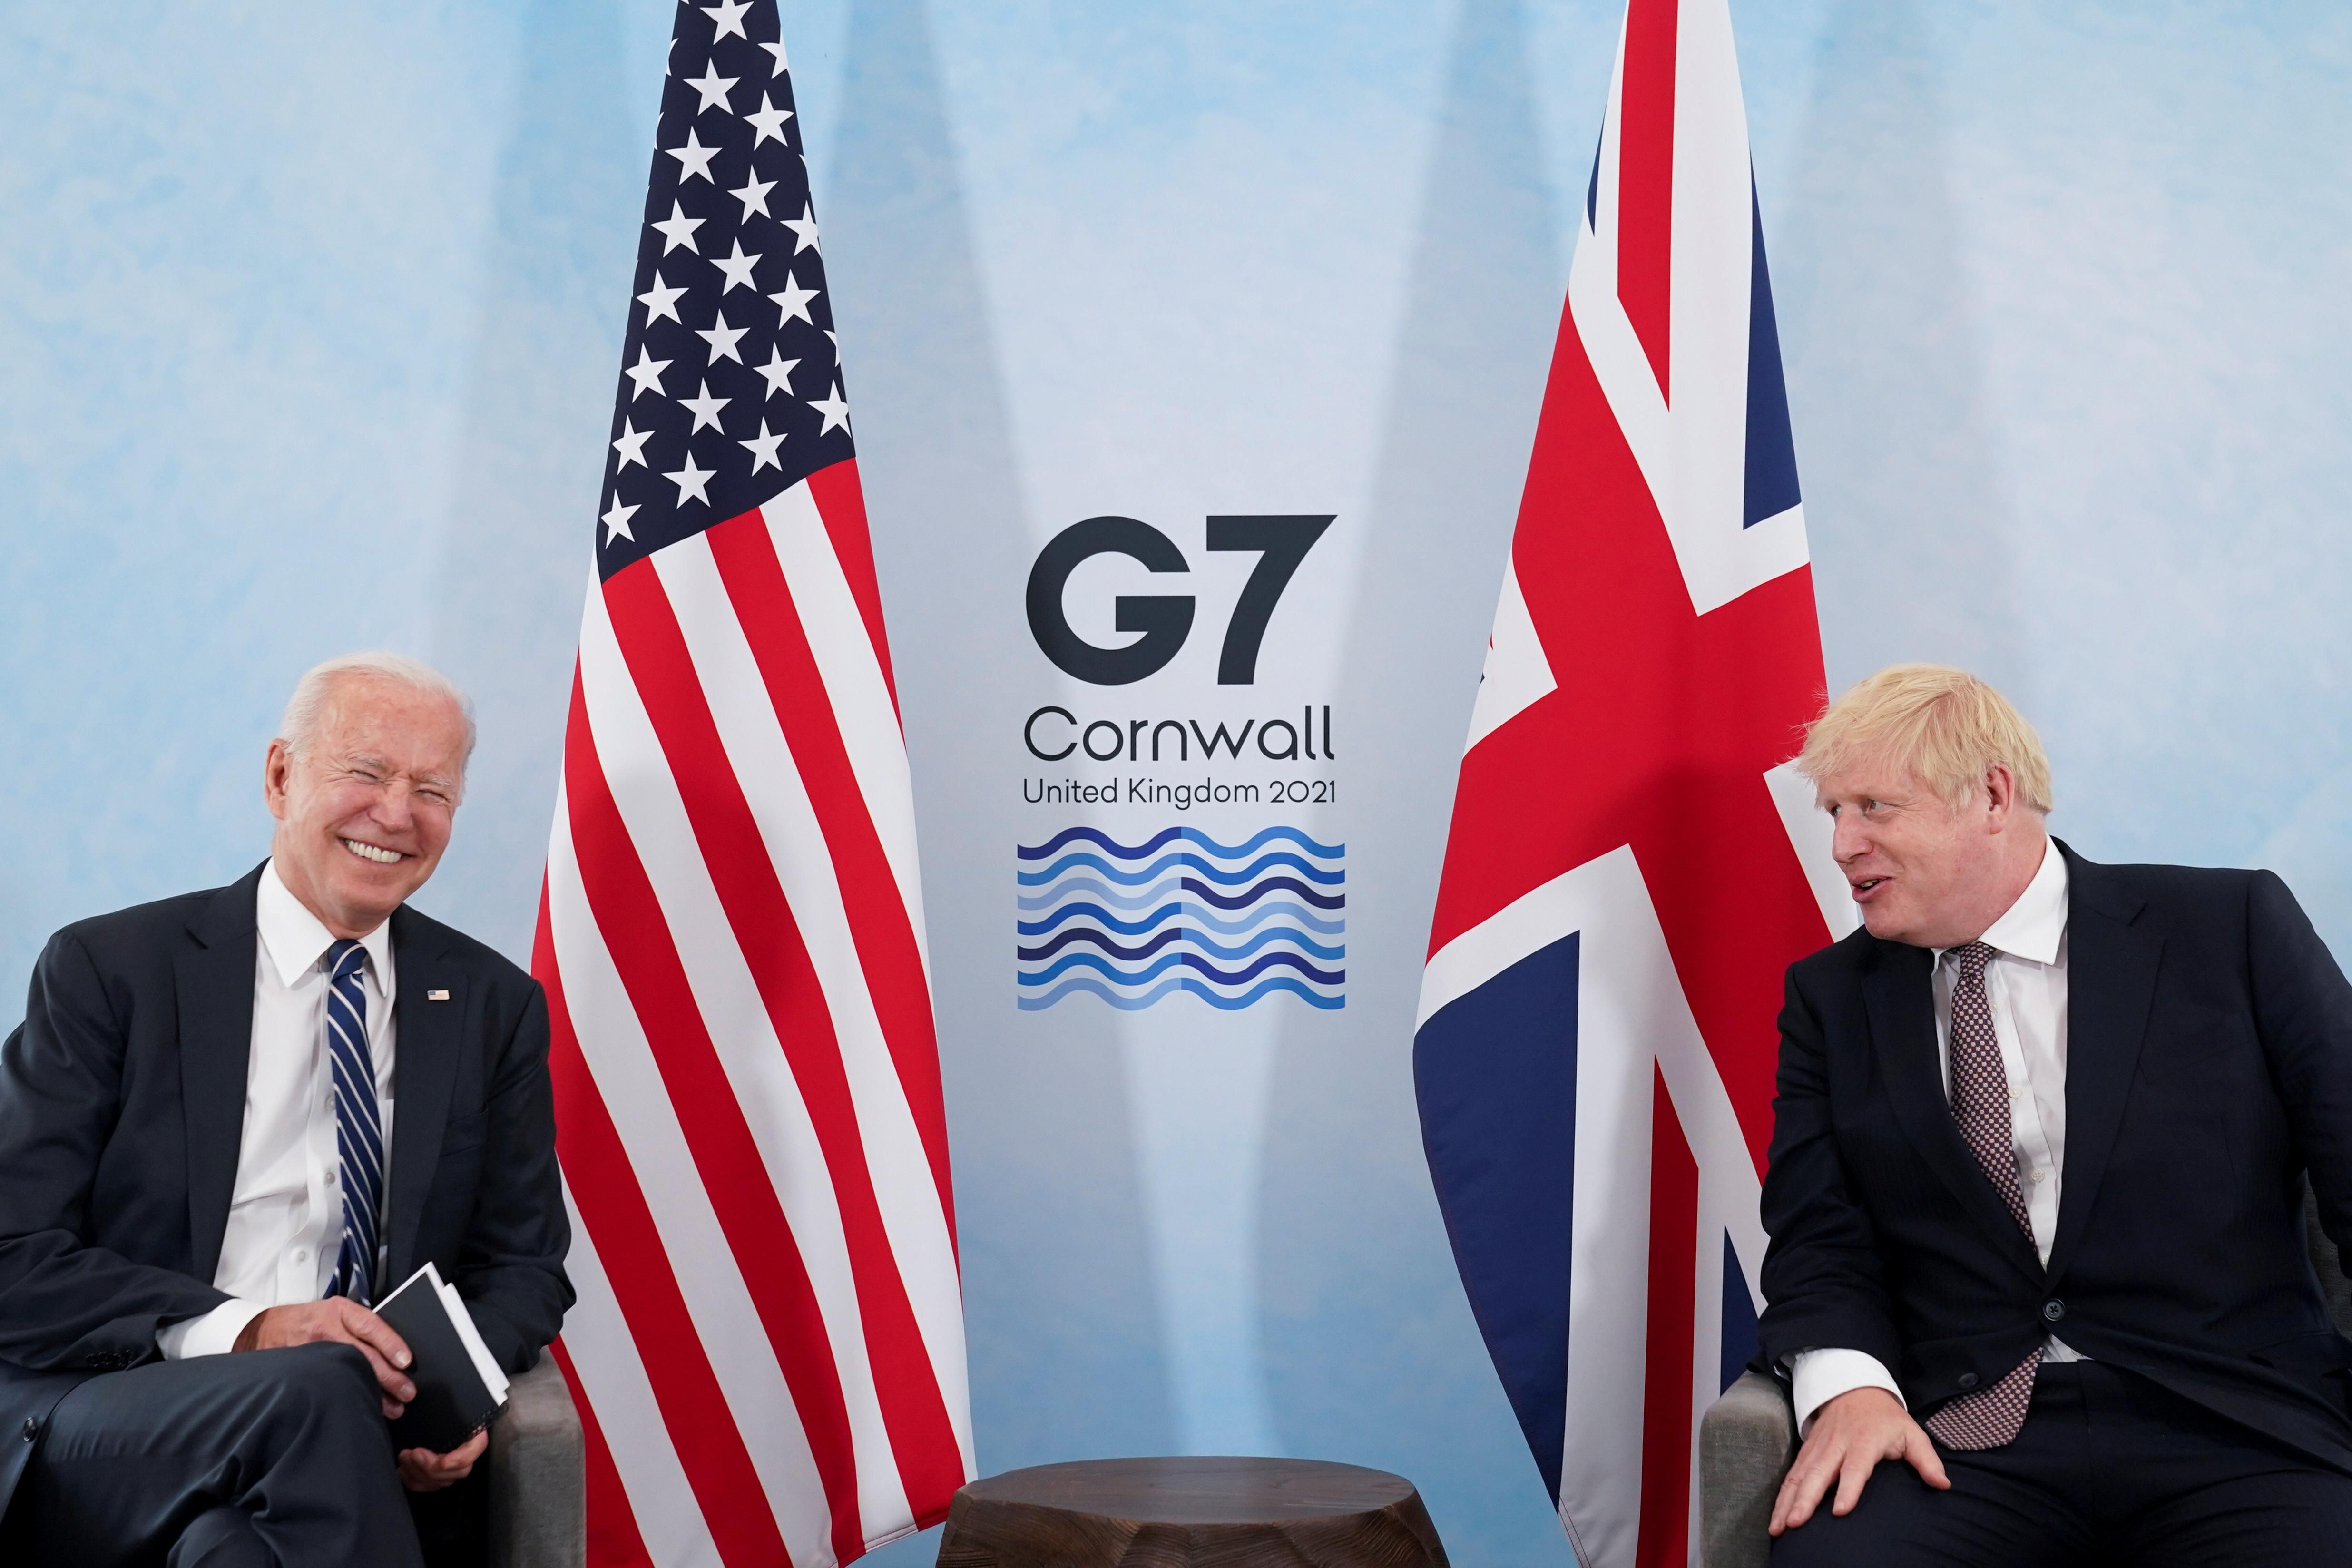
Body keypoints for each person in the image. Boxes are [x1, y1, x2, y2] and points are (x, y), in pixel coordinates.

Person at [1757, 664, 2352, 1565]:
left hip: (2234, 1426)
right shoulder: (1829, 1000)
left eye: (1873, 807)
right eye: (1833, 813)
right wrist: (1850, 1391)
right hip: (1963, 1441)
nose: (1842, 844)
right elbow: (1816, 1237)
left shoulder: (2230, 929)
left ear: (1992, 796)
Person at [0, 652, 571, 1568]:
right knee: (314, 1385)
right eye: (367, 772)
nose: (396, 814)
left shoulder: (491, 1006)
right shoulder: (113, 973)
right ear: (280, 776)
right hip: (114, 1413)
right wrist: (255, 1331)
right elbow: (11, 1255)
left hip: (341, 1441)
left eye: (432, 789)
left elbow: (524, 1265)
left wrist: (449, 1398)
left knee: (234, 1553)